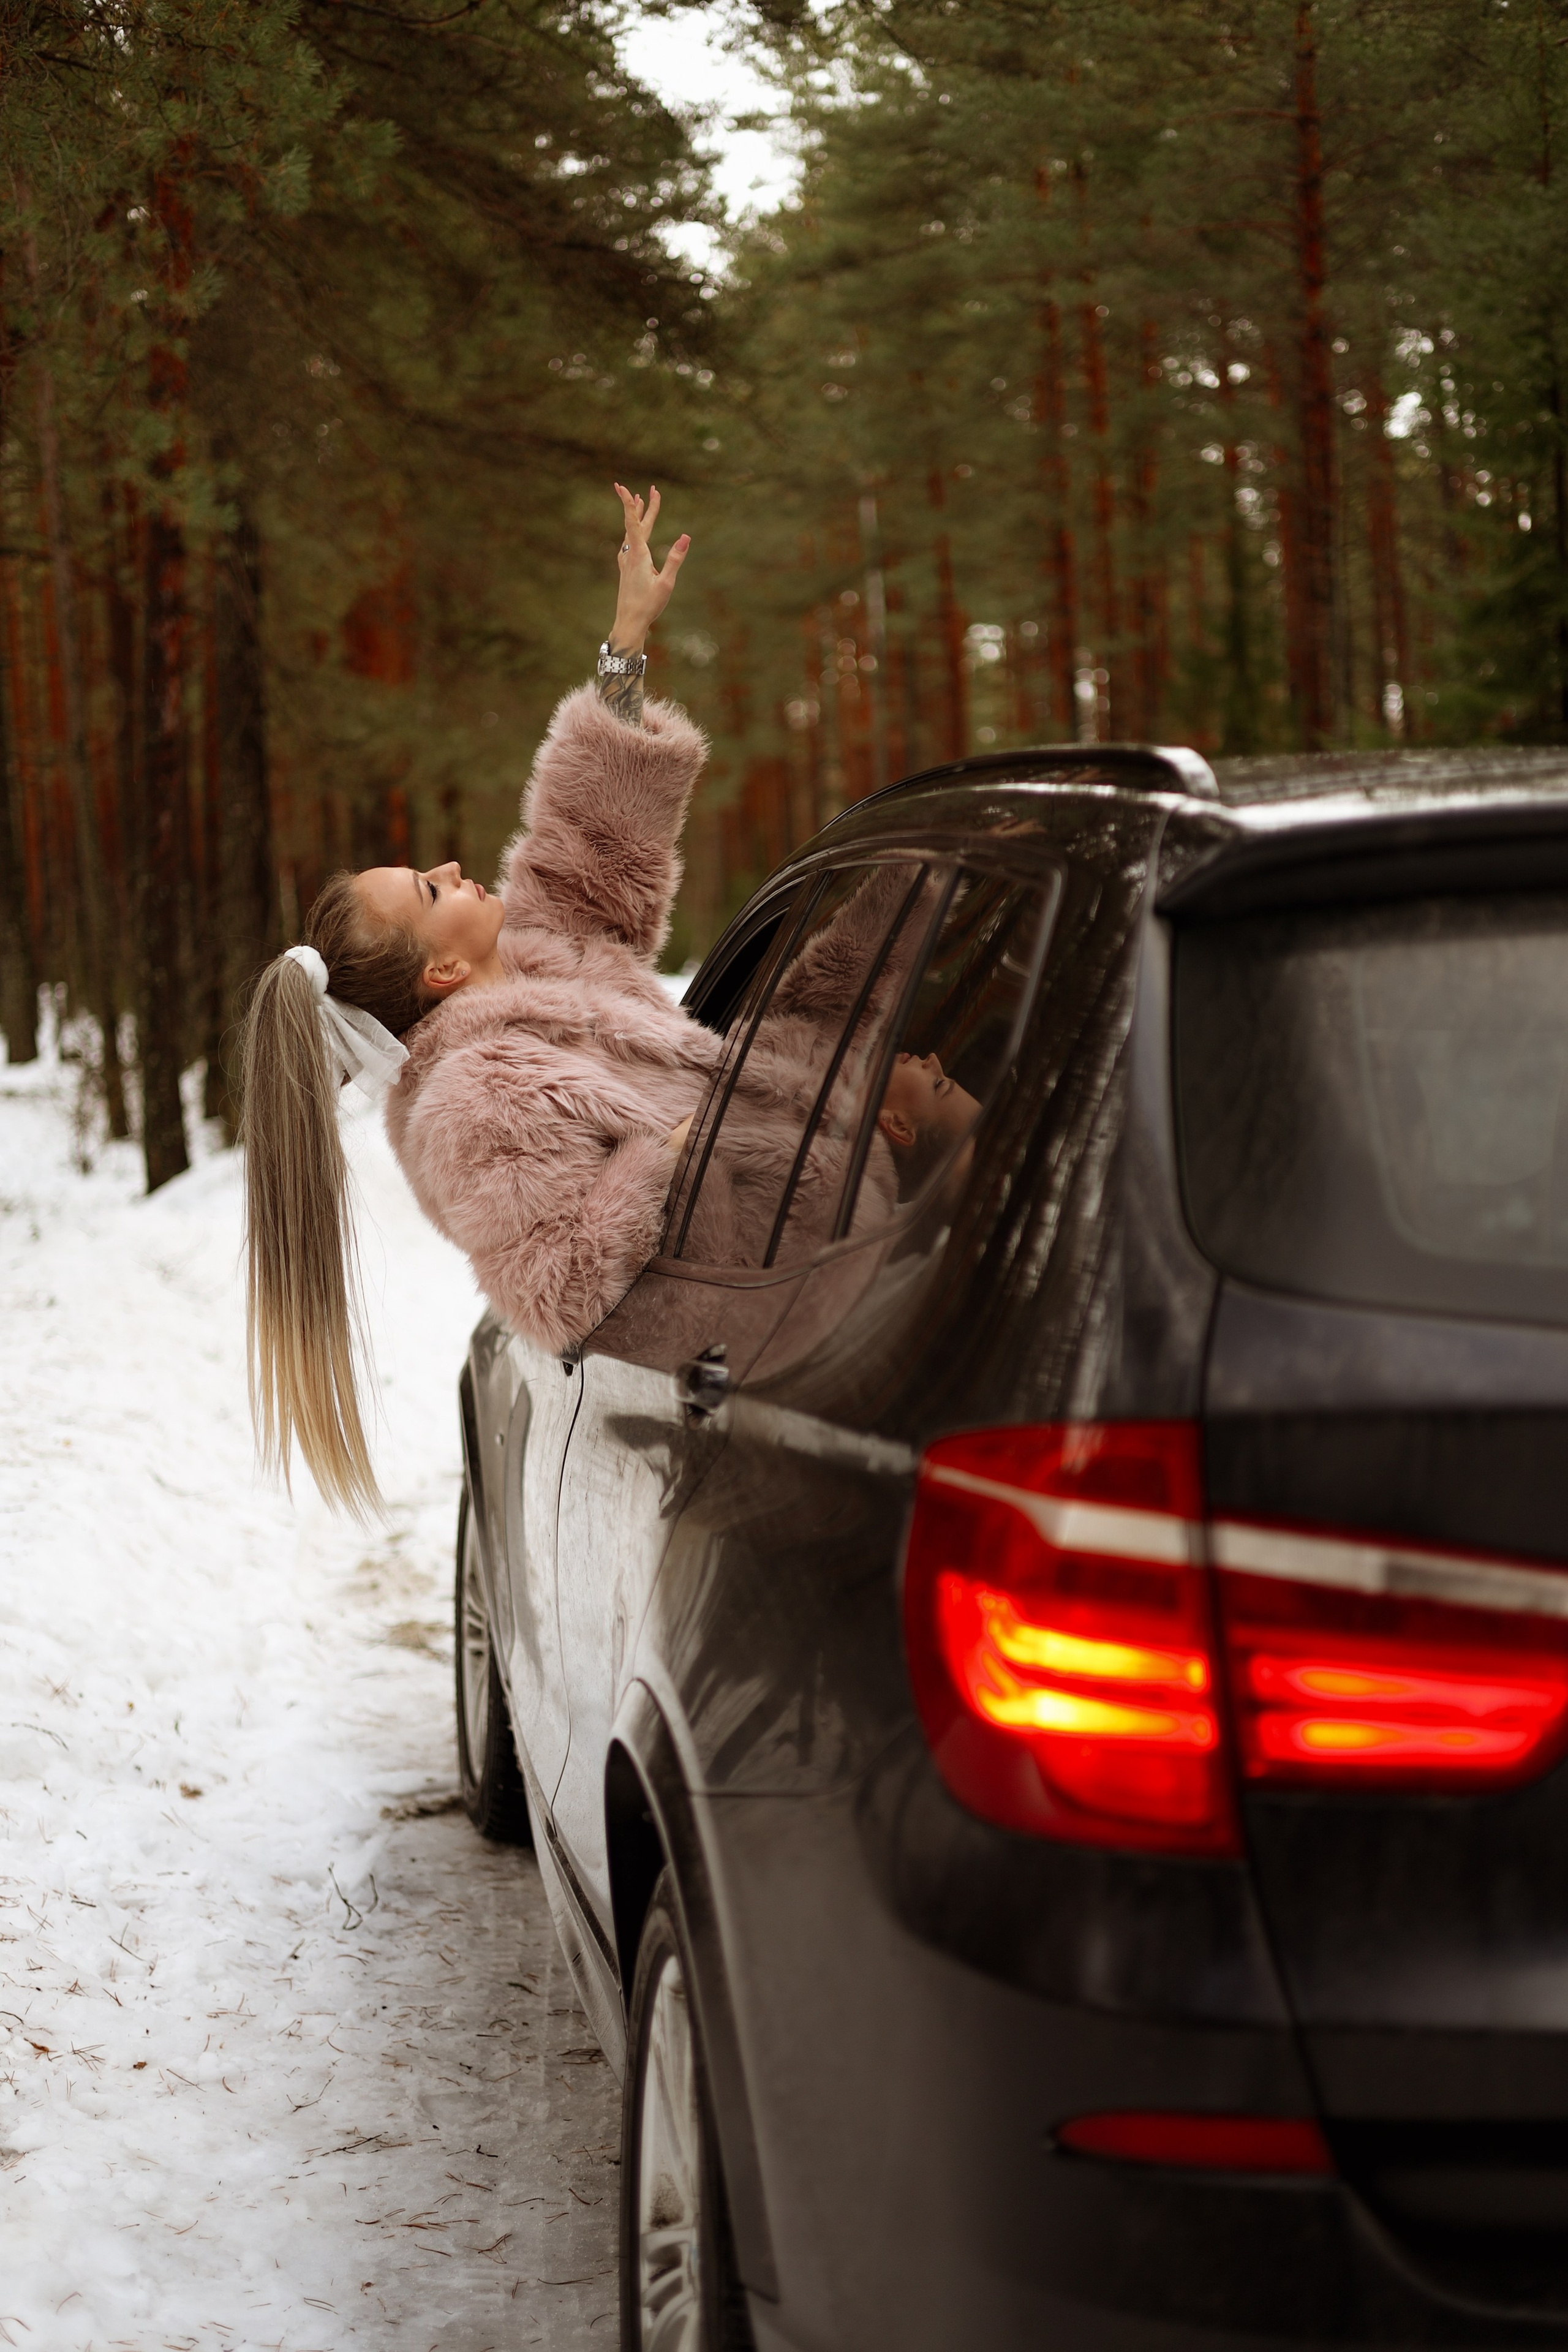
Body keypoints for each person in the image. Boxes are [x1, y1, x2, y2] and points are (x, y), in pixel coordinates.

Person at [242, 483, 715, 1515]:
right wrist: (670, 1156)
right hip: (737, 1366)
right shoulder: (471, 1102)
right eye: (429, 889)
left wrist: (626, 638)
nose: (456, 867)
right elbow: (561, 1285)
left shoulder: (552, 942)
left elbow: (596, 827)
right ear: (442, 974)